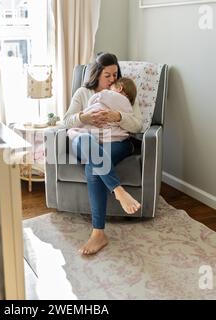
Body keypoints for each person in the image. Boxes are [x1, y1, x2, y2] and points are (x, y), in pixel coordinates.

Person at [63, 52, 143, 255]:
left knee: (94, 166)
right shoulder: (83, 93)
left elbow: (138, 125)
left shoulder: (123, 93)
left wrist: (117, 116)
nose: (112, 79)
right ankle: (119, 191)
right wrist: (85, 117)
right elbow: (66, 121)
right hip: (86, 138)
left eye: (115, 74)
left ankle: (98, 233)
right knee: (87, 143)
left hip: (116, 142)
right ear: (97, 74)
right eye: (107, 75)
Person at [67, 77, 137, 143]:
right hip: (112, 134)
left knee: (73, 131)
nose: (112, 79)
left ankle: (87, 141)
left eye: (111, 88)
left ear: (119, 88)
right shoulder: (128, 106)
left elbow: (95, 98)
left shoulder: (109, 94)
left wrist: (90, 105)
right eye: (107, 75)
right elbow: (67, 120)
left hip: (96, 124)